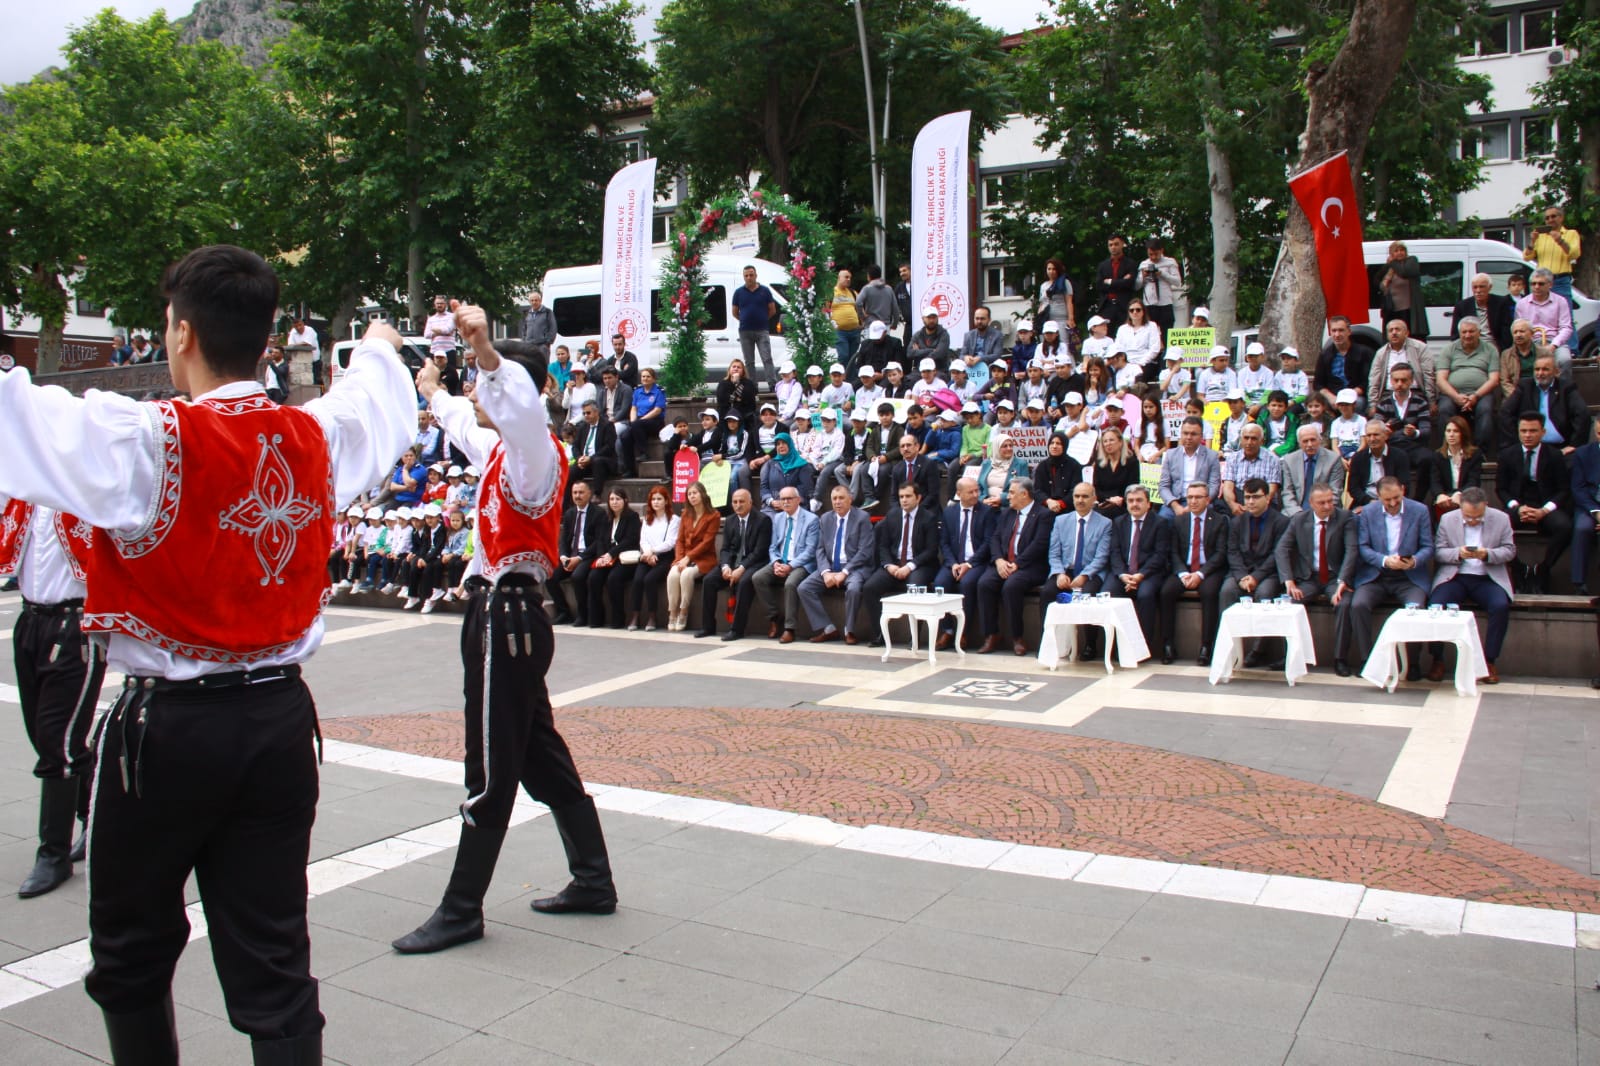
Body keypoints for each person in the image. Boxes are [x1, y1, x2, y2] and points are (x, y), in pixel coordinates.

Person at [0, 245, 415, 1061]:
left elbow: (19, 417)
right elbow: (379, 401)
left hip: (171, 734)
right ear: (266, 340)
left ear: (182, 333)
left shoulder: (145, 441)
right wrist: (376, 344)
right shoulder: (315, 436)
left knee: (130, 954)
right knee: (274, 964)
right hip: (277, 722)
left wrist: (374, 355)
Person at [396, 311, 620, 965]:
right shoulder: (502, 451)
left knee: (490, 771)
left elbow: (517, 407)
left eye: (489, 385)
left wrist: (486, 351)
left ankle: (462, 909)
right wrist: (433, 387)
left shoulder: (533, 455)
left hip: (509, 620)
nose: (478, 395)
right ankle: (593, 878)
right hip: (499, 616)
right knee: (541, 756)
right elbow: (465, 422)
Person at [0, 490, 101, 900]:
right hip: (31, 621)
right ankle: (91, 816)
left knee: (57, 742)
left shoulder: (85, 493)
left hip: (74, 626)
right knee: (48, 737)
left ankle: (52, 853)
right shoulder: (20, 496)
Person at [1427, 487, 1514, 685]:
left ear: (1486, 507)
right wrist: (1458, 553)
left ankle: (1489, 661)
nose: (1473, 521)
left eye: (1477, 517)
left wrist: (1488, 554)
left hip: (1487, 577)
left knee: (1500, 606)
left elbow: (1509, 551)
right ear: (1460, 509)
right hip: (1455, 576)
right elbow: (1439, 552)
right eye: (1468, 516)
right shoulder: (1448, 520)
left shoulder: (1501, 519)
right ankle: (1437, 659)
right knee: (1436, 605)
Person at [1349, 477, 1433, 679]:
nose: (1393, 503)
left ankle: (1412, 663)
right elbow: (1363, 547)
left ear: (1403, 490)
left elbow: (1428, 547)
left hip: (1408, 576)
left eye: (1396, 497)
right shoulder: (1368, 512)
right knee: (1358, 605)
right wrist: (1385, 561)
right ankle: (1367, 660)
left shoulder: (1419, 510)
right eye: (1388, 500)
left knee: (1415, 609)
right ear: (1378, 497)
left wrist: (1413, 561)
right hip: (1377, 574)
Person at [1276, 484, 1359, 674]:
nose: (1328, 506)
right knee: (1289, 602)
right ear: (1311, 504)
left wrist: (1342, 581)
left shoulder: (1345, 518)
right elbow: (1282, 549)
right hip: (1309, 578)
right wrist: (1288, 581)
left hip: (1334, 578)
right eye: (1322, 503)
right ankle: (1291, 655)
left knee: (1344, 604)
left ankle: (1340, 658)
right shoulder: (1299, 520)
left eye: (1330, 501)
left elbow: (1352, 551)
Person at [1219, 478, 1291, 668]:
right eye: (1247, 497)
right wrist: (1243, 577)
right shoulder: (1237, 522)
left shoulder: (1281, 522)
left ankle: (1258, 650)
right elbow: (1232, 552)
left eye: (1256, 497)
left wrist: (1256, 577)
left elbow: (1277, 555)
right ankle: (1229, 648)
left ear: (1267, 498)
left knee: (1265, 594)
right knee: (1227, 591)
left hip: (1268, 573)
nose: (1250, 502)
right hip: (1241, 573)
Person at [1498, 411, 1572, 594]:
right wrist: (1516, 507)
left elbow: (1563, 489)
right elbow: (1501, 489)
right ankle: (1517, 568)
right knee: (1495, 527)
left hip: (1545, 504)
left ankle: (1544, 568)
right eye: (1523, 431)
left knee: (1565, 526)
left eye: (1532, 431)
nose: (1528, 435)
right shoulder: (1508, 455)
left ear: (1543, 432)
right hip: (1518, 504)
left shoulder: (1554, 456)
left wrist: (1544, 511)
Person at [976, 478, 1051, 655]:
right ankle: (991, 634)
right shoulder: (1007, 513)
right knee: (984, 583)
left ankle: (1017, 637)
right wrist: (999, 561)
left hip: (1029, 566)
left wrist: (1017, 564)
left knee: (1011, 586)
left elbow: (1039, 544)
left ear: (1024, 494)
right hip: (1004, 562)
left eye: (1011, 492)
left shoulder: (1043, 514)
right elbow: (995, 539)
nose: (1007, 497)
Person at [1158, 481, 1230, 665]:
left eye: (1198, 497)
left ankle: (1206, 645)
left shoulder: (1220, 520)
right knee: (1166, 591)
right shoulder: (1179, 520)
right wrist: (1183, 573)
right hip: (1184, 569)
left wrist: (1200, 575)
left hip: (1209, 570)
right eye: (1190, 497)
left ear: (1207, 499)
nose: (1193, 501)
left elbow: (1221, 554)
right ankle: (1167, 644)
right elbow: (1173, 552)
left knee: (1210, 592)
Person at [861, 481, 941, 646]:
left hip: (920, 565)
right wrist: (888, 565)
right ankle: (880, 634)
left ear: (918, 498)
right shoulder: (893, 515)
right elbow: (883, 546)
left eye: (908, 496)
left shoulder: (929, 518)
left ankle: (915, 637)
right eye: (901, 497)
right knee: (870, 587)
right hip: (894, 564)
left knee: (915, 588)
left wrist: (909, 567)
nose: (904, 500)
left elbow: (931, 550)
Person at [1040, 482, 1113, 656]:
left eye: (1085, 496)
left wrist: (1085, 575)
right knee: (1048, 592)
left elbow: (1101, 557)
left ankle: (1090, 644)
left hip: (1091, 572)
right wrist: (1059, 573)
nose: (1080, 500)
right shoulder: (1061, 520)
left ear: (1094, 499)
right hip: (1066, 571)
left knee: (1089, 595)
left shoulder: (1105, 523)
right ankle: (1048, 642)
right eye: (1077, 496)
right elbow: (1054, 552)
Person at [799, 485, 875, 643]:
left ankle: (850, 630)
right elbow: (819, 549)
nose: (837, 502)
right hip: (831, 567)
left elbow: (865, 552)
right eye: (834, 499)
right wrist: (826, 572)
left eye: (841, 498)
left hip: (855, 568)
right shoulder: (826, 518)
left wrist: (845, 572)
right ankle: (828, 629)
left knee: (854, 589)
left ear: (850, 499)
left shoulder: (862, 518)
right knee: (804, 588)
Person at [697, 488, 771, 640]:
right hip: (732, 563)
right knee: (709, 580)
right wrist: (725, 567)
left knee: (744, 582)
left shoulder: (763, 520)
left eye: (742, 502)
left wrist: (741, 569)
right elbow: (725, 549)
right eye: (735, 502)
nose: (738, 505)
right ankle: (708, 626)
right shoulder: (730, 520)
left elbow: (759, 552)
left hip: (753, 563)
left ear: (750, 502)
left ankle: (737, 629)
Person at [933, 476, 997, 650]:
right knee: (940, 584)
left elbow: (988, 542)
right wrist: (953, 563)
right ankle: (947, 630)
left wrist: (969, 564)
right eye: (971, 492)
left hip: (976, 562)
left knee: (967, 584)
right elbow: (944, 542)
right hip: (954, 562)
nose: (976, 494)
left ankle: (963, 632)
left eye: (977, 490)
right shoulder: (949, 513)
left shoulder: (987, 512)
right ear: (959, 493)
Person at [750, 486, 819, 642]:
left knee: (790, 583)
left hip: (802, 563)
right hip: (781, 560)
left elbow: (810, 551)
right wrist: (775, 562)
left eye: (789, 499)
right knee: (758, 578)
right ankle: (774, 617)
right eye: (783, 499)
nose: (786, 502)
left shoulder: (811, 519)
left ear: (798, 500)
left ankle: (790, 628)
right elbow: (773, 546)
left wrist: (791, 566)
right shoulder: (778, 518)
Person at [1107, 485, 1171, 649]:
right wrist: (1122, 575)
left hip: (1150, 573)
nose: (1134, 504)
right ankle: (1116, 646)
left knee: (1145, 595)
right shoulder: (1119, 522)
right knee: (1108, 593)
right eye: (1130, 501)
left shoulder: (1160, 523)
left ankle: (1142, 647)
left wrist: (1140, 575)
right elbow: (1114, 552)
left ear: (1148, 503)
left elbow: (1160, 555)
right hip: (1124, 573)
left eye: (1139, 500)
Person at [1499, 352, 1589, 456]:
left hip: (1561, 448)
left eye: (1545, 369)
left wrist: (1575, 444)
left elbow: (1583, 413)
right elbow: (1505, 412)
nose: (1540, 373)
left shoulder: (1566, 387)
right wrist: (1517, 442)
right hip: (1530, 447)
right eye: (1537, 369)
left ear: (1556, 371)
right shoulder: (1525, 386)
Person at [1435, 319, 1499, 450]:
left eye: (1472, 331)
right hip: (1452, 393)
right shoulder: (1449, 349)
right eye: (1464, 332)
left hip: (1481, 393)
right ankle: (1446, 449)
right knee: (1444, 409)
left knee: (1485, 410)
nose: (1468, 335)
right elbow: (1441, 380)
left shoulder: (1490, 349)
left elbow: (1494, 379)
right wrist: (1456, 396)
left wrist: (1475, 396)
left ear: (1479, 332)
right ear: (1459, 333)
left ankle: (1480, 452)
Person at [547, 480, 605, 625]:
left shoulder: (599, 513)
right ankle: (564, 612)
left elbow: (599, 541)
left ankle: (583, 615)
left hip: (588, 556)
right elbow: (563, 539)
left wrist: (579, 558)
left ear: (589, 494)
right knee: (550, 576)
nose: (577, 496)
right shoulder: (569, 513)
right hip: (570, 555)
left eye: (581, 492)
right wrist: (563, 556)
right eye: (575, 493)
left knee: (578, 577)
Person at [666, 482, 720, 631]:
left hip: (704, 558)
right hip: (684, 557)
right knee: (673, 574)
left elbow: (707, 543)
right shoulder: (685, 514)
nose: (692, 496)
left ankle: (684, 611)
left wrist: (687, 558)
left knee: (686, 575)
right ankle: (673, 611)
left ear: (703, 494)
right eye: (689, 494)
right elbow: (680, 540)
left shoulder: (713, 515)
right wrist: (679, 559)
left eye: (695, 493)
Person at [587, 488, 642, 629]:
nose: (615, 502)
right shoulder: (605, 519)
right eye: (612, 499)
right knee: (594, 577)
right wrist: (601, 557)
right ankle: (596, 618)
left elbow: (631, 540)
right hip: (607, 557)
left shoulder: (632, 517)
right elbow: (600, 540)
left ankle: (618, 618)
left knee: (613, 579)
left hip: (624, 558)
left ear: (625, 501)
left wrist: (611, 554)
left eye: (618, 499)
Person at [628, 485, 679, 631]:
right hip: (647, 556)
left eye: (659, 499)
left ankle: (652, 616)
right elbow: (642, 540)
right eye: (653, 499)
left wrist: (653, 552)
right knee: (637, 580)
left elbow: (670, 542)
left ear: (666, 501)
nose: (656, 502)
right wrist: (648, 553)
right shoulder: (647, 519)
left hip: (664, 557)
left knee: (649, 580)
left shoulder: (673, 519)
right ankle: (635, 615)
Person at [1373, 363, 1431, 482]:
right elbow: (1375, 428)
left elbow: (1426, 430)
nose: (1399, 384)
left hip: (1413, 445)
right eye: (1396, 380)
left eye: (1404, 380)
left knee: (1428, 458)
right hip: (1391, 446)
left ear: (1411, 381)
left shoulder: (1421, 403)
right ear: (1391, 381)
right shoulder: (1383, 404)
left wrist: (1414, 432)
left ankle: (1418, 498)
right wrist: (1385, 432)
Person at [1513, 269, 1574, 382]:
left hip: (1555, 342)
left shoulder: (1560, 301)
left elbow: (1566, 327)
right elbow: (1518, 328)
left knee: (1565, 360)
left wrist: (1553, 346)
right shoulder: (1522, 304)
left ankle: (1563, 393)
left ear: (1550, 284)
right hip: (1531, 343)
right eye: (1533, 284)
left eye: (1541, 283)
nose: (1536, 287)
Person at [1158, 417, 1223, 521]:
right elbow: (1163, 486)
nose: (1188, 437)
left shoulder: (1211, 456)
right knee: (1162, 519)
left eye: (1193, 434)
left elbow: (1214, 486)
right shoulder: (1170, 455)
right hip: (1176, 500)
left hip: (1201, 501)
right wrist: (1175, 506)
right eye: (1185, 433)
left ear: (1201, 436)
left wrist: (1197, 504)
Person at [1279, 423, 1345, 518]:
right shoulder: (1289, 460)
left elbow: (1335, 491)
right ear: (1299, 443)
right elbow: (1287, 492)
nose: (1309, 444)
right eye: (1305, 441)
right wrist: (1297, 514)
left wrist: (1317, 513)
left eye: (1313, 440)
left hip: (1325, 509)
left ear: (1320, 440)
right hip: (1296, 511)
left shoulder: (1333, 459)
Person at [1347, 420, 1412, 512]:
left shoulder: (1400, 456)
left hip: (1393, 502)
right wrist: (1369, 501)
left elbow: (1404, 485)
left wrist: (1387, 501)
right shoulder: (1358, 458)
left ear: (1385, 435)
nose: (1372, 439)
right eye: (1368, 435)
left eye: (1376, 434)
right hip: (1365, 503)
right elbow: (1353, 488)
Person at [1368, 320, 1435, 407]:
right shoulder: (1381, 353)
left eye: (1397, 329)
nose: (1394, 333)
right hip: (1389, 394)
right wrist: (1373, 404)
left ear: (1406, 333)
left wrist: (1431, 401)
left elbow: (1429, 375)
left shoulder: (1420, 348)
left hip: (1415, 392)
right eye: (1391, 330)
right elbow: (1374, 380)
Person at [1428, 415, 1483, 521]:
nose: (1451, 435)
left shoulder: (1475, 454)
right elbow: (1435, 482)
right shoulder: (1438, 456)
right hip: (1445, 498)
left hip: (1467, 497)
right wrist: (1440, 495)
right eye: (1448, 431)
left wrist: (1459, 494)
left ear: (1463, 434)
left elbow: (1473, 481)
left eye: (1455, 431)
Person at [732, 266, 779, 389]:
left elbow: (772, 310)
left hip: (762, 330)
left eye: (751, 275)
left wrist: (763, 319)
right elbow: (735, 312)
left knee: (766, 358)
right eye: (746, 275)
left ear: (756, 275)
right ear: (744, 277)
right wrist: (744, 320)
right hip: (745, 331)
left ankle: (772, 384)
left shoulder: (765, 291)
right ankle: (752, 386)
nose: (749, 278)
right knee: (749, 361)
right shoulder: (738, 293)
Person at [1569, 411, 1600, 596]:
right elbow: (1578, 488)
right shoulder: (1583, 453)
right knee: (1582, 528)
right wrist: (1596, 512)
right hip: (1589, 505)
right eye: (1599, 433)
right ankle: (1578, 582)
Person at [1523, 206, 1581, 302]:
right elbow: (1526, 257)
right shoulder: (1540, 237)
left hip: (1560, 280)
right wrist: (1532, 241)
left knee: (1564, 313)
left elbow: (1574, 254)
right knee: (1540, 313)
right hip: (1541, 282)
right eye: (1547, 218)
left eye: (1553, 216)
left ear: (1561, 217)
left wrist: (1560, 241)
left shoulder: (1571, 234)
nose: (1550, 220)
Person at [1220, 424, 1281, 513]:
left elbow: (1272, 489)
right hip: (1239, 501)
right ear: (1241, 440)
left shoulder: (1273, 459)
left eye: (1254, 438)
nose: (1249, 442)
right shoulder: (1233, 458)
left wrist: (1255, 507)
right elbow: (1228, 487)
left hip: (1263, 502)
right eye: (1246, 438)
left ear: (1261, 442)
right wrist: (1233, 505)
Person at [1451, 273, 1514, 353]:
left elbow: (1506, 331)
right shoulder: (1462, 306)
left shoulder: (1501, 303)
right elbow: (1455, 335)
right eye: (1475, 287)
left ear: (1490, 287)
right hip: (1470, 347)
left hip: (1494, 346)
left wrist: (1502, 350)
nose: (1478, 291)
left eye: (1482, 287)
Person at [1378, 241, 1427, 340]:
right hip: (1392, 310)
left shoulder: (1411, 261)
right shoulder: (1389, 268)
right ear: (1391, 253)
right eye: (1396, 251)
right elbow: (1380, 285)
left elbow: (1404, 272)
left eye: (1402, 250)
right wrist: (1388, 272)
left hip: (1408, 310)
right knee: (1393, 337)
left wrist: (1392, 262)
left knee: (1409, 337)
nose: (1400, 253)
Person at [1137, 237, 1181, 342]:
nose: (1153, 257)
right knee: (1149, 334)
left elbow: (1177, 281)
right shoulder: (1144, 264)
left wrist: (1162, 273)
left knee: (1167, 335)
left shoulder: (1170, 262)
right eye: (1150, 254)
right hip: (1149, 304)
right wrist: (1143, 276)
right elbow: (1136, 286)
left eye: (1156, 254)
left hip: (1165, 303)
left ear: (1161, 250)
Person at [569, 399, 617, 497]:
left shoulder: (607, 425)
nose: (586, 415)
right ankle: (566, 501)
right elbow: (575, 446)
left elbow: (609, 447)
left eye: (588, 413)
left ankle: (597, 494)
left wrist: (591, 458)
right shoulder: (582, 427)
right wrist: (579, 458)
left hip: (603, 460)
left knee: (597, 461)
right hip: (584, 461)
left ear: (596, 412)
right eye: (584, 413)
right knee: (570, 471)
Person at [1091, 428, 1141, 520]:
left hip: (1124, 504)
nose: (1108, 443)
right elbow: (1096, 489)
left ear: (1120, 442)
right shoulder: (1099, 464)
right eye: (1105, 441)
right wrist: (1109, 499)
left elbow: (1133, 487)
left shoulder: (1132, 463)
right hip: (1104, 503)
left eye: (1111, 440)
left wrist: (1120, 499)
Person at [1499, 319, 1554, 399]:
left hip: (1540, 393)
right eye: (1515, 332)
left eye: (1522, 331)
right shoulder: (1506, 355)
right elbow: (1505, 382)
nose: (1518, 335)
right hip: (1515, 395)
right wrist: (1517, 397)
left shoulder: (1545, 353)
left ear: (1532, 334)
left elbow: (1553, 376)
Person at [977, 434, 1031, 511]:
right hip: (986, 505)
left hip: (1008, 506)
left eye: (1011, 445)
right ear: (996, 448)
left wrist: (1002, 498)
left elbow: (1024, 488)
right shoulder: (986, 463)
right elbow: (978, 486)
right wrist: (983, 500)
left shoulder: (1021, 464)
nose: (1009, 448)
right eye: (1005, 446)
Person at [1095, 234, 1139, 330]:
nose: (1113, 247)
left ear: (1122, 244)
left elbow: (1130, 283)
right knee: (1107, 334)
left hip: (1124, 305)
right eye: (1110, 245)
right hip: (1107, 306)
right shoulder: (1103, 265)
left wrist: (1110, 282)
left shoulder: (1130, 264)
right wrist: (1121, 281)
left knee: (1126, 333)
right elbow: (1099, 285)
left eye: (1116, 244)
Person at [1113, 300, 1162, 381]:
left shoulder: (1152, 326)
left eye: (1138, 310)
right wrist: (1125, 363)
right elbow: (1118, 348)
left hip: (1145, 363)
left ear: (1143, 312)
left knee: (1137, 378)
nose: (1135, 312)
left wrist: (1141, 362)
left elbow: (1154, 348)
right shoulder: (1122, 329)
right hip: (1126, 362)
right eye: (1131, 310)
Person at [830, 268, 862, 365]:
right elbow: (825, 309)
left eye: (850, 278)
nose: (848, 279)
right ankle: (841, 377)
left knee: (852, 359)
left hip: (854, 331)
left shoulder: (853, 293)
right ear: (839, 278)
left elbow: (860, 307)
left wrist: (862, 322)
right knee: (843, 356)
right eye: (846, 277)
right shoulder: (832, 292)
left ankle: (851, 379)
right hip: (840, 331)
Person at [857, 264, 901, 333]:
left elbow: (858, 303)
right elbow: (895, 309)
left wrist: (862, 317)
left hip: (871, 325)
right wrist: (894, 324)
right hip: (885, 326)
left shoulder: (867, 289)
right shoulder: (889, 289)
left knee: (871, 343)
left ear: (869, 276)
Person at [716, 358, 760, 424]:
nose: (736, 369)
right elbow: (722, 398)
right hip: (726, 416)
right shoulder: (723, 383)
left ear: (743, 371)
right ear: (729, 369)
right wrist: (737, 399)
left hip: (744, 416)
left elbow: (747, 398)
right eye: (734, 367)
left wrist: (736, 383)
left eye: (739, 367)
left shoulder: (749, 383)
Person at [909, 307, 952, 371]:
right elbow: (910, 353)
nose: (932, 320)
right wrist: (930, 350)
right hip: (920, 371)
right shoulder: (917, 335)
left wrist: (919, 352)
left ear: (937, 318)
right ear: (923, 319)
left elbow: (939, 354)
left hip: (939, 370)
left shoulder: (944, 334)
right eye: (929, 318)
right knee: (909, 380)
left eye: (934, 317)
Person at [1038, 257, 1074, 335]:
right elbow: (1041, 303)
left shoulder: (1065, 282)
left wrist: (1070, 318)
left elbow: (1069, 301)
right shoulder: (1043, 286)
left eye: (1054, 269)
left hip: (1061, 320)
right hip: (1046, 320)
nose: (1051, 271)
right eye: (1049, 269)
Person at [519, 289, 557, 357]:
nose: (534, 302)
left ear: (540, 301)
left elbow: (553, 328)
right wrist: (524, 341)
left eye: (536, 300)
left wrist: (548, 342)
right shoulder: (527, 313)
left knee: (542, 365)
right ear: (529, 302)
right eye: (532, 300)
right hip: (529, 345)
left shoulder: (547, 312)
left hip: (542, 345)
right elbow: (524, 329)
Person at [423, 294, 458, 364]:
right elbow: (426, 335)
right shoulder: (431, 319)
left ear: (446, 304)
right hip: (434, 351)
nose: (439, 305)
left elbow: (447, 329)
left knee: (450, 373)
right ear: (434, 305)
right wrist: (444, 333)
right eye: (437, 303)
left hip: (448, 351)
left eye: (441, 303)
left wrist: (434, 330)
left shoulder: (452, 317)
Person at [894, 264, 915, 346]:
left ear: (910, 270)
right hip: (908, 325)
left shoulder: (919, 284)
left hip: (922, 324)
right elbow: (894, 304)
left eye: (904, 270)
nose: (902, 273)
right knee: (907, 347)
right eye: (900, 272)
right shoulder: (899, 287)